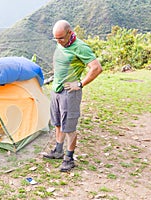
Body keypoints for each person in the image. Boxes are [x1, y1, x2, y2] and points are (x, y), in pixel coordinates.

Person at [43, 20, 103, 172]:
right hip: (56, 89)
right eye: (56, 39)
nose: (59, 42)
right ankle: (58, 150)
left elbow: (96, 68)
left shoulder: (81, 47)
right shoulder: (61, 42)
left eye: (61, 38)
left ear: (70, 33)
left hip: (70, 93)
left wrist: (80, 84)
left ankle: (69, 158)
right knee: (57, 123)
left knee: (69, 127)